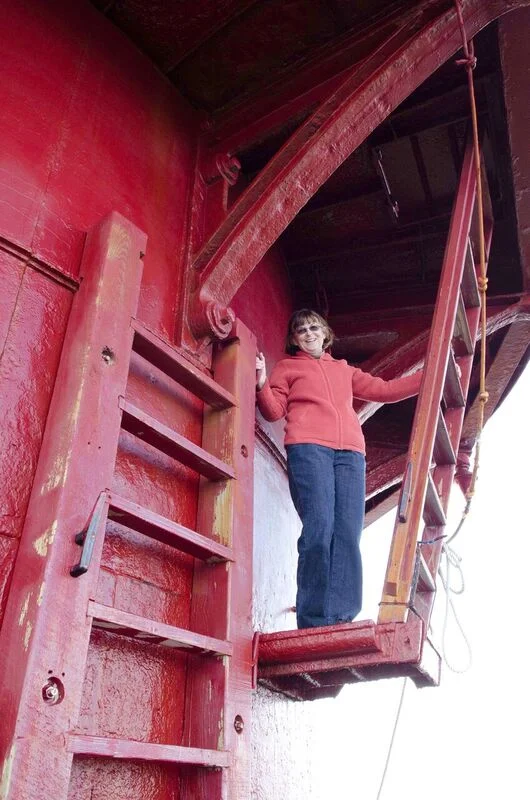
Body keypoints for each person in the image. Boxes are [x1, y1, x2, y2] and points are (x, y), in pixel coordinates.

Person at [255, 309, 422, 630]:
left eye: (314, 327)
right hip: (308, 448)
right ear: (294, 339)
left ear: (325, 333)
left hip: (350, 454)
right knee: (319, 528)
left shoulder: (344, 370)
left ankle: (342, 616)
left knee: (347, 532)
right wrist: (262, 380)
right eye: (301, 330)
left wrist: (429, 376)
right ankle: (313, 618)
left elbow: (385, 391)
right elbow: (273, 410)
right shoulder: (287, 368)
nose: (308, 333)